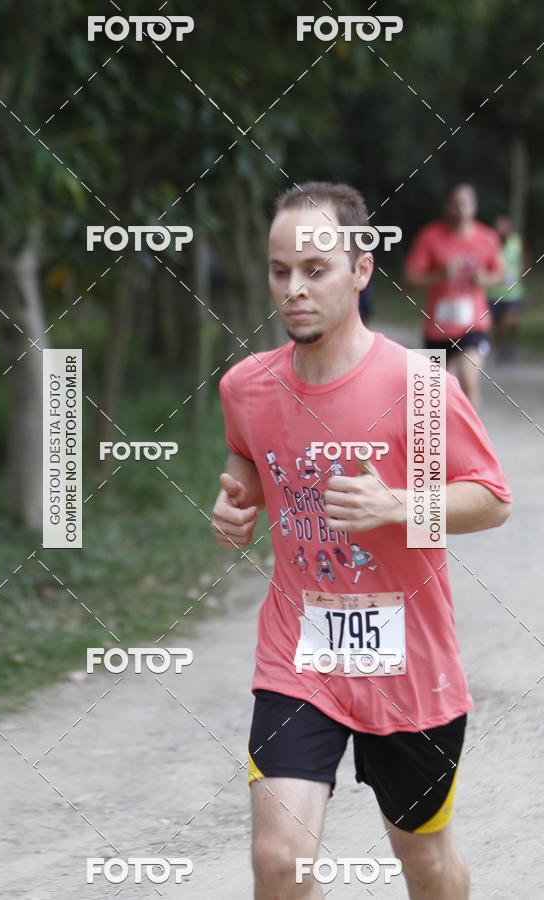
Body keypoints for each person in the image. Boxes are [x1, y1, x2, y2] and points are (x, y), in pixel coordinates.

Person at [211, 182, 512, 899]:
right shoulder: (247, 386)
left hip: (409, 667)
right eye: (281, 270)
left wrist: (398, 505)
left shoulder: (418, 386)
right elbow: (248, 453)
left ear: (361, 270)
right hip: (300, 654)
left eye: (315, 270)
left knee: (426, 866)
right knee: (278, 861)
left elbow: (492, 499)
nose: (294, 289)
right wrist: (237, 500)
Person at [405, 183, 502, 408]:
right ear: (446, 206)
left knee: (469, 380)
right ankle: (445, 430)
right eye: (455, 203)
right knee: (435, 396)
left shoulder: (488, 237)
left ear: (474, 205)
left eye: (465, 202)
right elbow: (409, 281)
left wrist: (484, 279)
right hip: (438, 328)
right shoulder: (430, 236)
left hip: (474, 325)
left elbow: (499, 274)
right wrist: (440, 275)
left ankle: (469, 430)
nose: (461, 208)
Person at [488, 215, 525, 362]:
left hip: (514, 292)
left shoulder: (516, 241)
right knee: (497, 325)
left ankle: (510, 346)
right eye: (499, 230)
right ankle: (498, 349)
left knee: (512, 321)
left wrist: (522, 270)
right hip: (495, 293)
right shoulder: (491, 242)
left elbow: (524, 256)